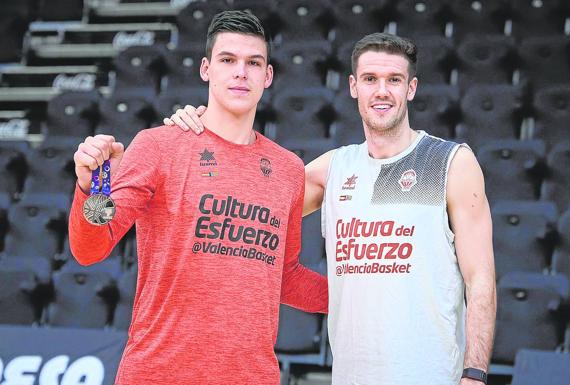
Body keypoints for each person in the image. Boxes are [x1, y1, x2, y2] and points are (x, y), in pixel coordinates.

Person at [167, 32, 496, 385]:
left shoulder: (450, 162)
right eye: (370, 79)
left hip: (431, 375)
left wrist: (474, 374)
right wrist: (205, 126)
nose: (381, 91)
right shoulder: (334, 169)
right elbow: (243, 203)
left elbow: (480, 280)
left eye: (394, 80)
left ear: (411, 88)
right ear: (354, 86)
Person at [69, 10, 328, 385]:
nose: (241, 72)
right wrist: (92, 191)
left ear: (267, 76)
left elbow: (282, 277)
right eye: (228, 60)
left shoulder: (287, 169)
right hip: (158, 373)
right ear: (206, 69)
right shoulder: (158, 145)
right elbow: (90, 249)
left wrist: (359, 292)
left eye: (253, 63)